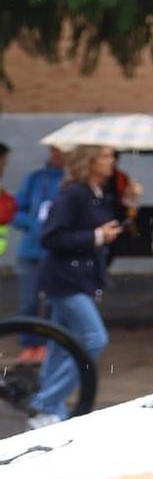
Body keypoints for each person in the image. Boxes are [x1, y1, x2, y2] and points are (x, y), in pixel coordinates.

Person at [24, 143, 121, 429]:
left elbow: (100, 235)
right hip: (64, 279)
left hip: (81, 278)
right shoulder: (73, 193)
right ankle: (44, 402)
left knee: (60, 343)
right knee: (94, 339)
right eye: (105, 156)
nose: (111, 161)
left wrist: (124, 209)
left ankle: (48, 408)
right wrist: (95, 236)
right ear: (90, 161)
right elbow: (51, 238)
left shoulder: (98, 194)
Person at [9, 146, 66, 363]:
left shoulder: (69, 182)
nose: (55, 155)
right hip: (31, 249)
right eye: (53, 151)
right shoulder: (35, 178)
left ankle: (48, 344)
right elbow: (18, 210)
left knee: (53, 302)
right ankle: (29, 343)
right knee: (28, 302)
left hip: (55, 251)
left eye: (59, 151)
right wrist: (33, 225)